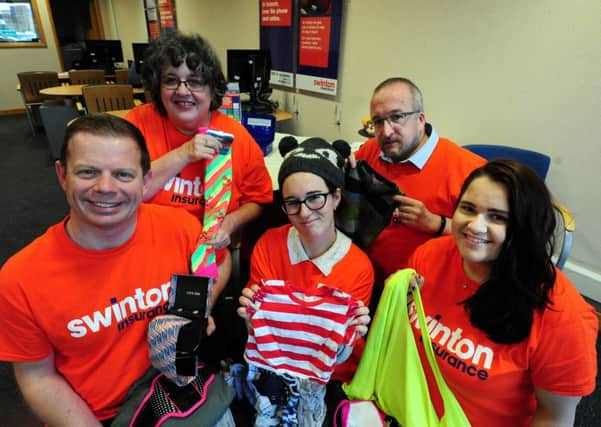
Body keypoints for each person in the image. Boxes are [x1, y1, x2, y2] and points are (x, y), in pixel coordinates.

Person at [0, 114, 210, 426]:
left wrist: (201, 310)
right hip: (98, 416)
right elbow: (37, 379)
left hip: (180, 394)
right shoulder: (19, 279)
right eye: (88, 172)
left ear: (146, 180)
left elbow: (210, 270)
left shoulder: (181, 228)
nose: (105, 187)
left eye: (123, 175)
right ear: (62, 175)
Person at [407, 159, 598, 426]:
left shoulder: (563, 317)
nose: (474, 226)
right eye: (468, 208)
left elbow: (554, 419)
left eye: (498, 217)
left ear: (525, 227)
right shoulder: (429, 256)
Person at [125, 32, 273, 304]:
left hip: (207, 258)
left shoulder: (236, 137)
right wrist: (183, 154)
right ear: (158, 86)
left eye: (194, 81)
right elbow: (124, 193)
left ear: (212, 89)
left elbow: (259, 199)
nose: (182, 91)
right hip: (142, 252)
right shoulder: (136, 126)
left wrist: (230, 223)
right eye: (171, 80)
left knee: (189, 325)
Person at [237, 138, 373, 425]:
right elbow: (262, 333)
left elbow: (339, 358)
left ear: (336, 197)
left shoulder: (358, 266)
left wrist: (343, 341)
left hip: (329, 379)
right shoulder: (269, 244)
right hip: (272, 372)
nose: (304, 212)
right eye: (292, 203)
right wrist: (253, 321)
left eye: (315, 198)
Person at [355, 77, 485, 288]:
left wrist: (435, 224)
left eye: (397, 117)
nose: (386, 132)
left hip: (426, 291)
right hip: (370, 280)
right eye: (378, 121)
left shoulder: (469, 170)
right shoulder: (370, 151)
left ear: (420, 119)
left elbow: (497, 237)